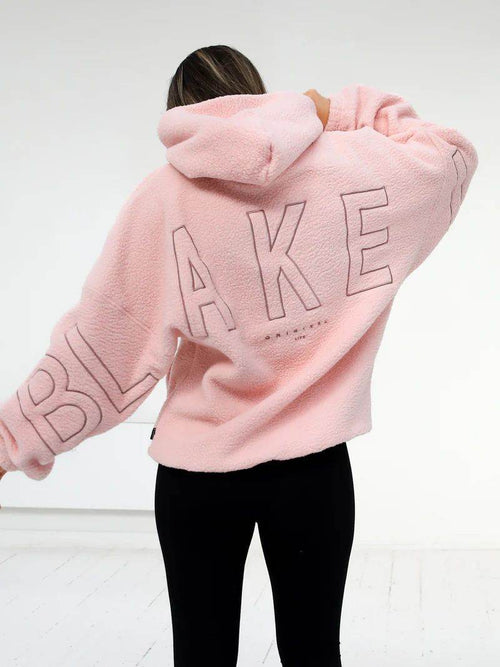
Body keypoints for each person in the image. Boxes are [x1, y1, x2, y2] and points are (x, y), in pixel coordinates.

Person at [0, 45, 477, 666]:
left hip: (199, 471)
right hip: (313, 471)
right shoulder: (348, 168)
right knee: (313, 652)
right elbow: (448, 154)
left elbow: (105, 346)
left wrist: (11, 441)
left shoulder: (163, 197)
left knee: (202, 654)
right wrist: (329, 110)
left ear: (180, 111)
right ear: (256, 92)